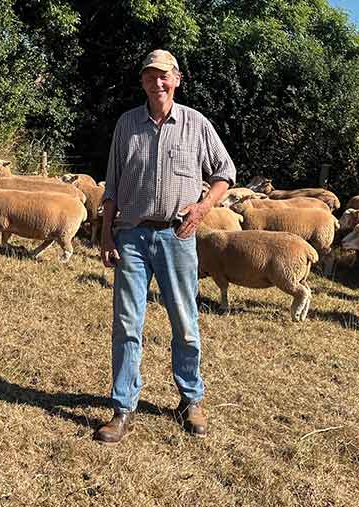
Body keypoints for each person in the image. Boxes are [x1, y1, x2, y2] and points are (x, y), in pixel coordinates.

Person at [94, 49, 236, 443]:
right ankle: (123, 408)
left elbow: (225, 173)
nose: (157, 83)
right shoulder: (127, 124)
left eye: (164, 76)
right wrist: (106, 233)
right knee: (126, 323)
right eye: (150, 76)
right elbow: (113, 185)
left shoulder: (196, 124)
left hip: (178, 236)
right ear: (142, 81)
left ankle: (191, 400)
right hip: (132, 236)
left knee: (185, 322)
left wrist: (205, 206)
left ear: (176, 80)